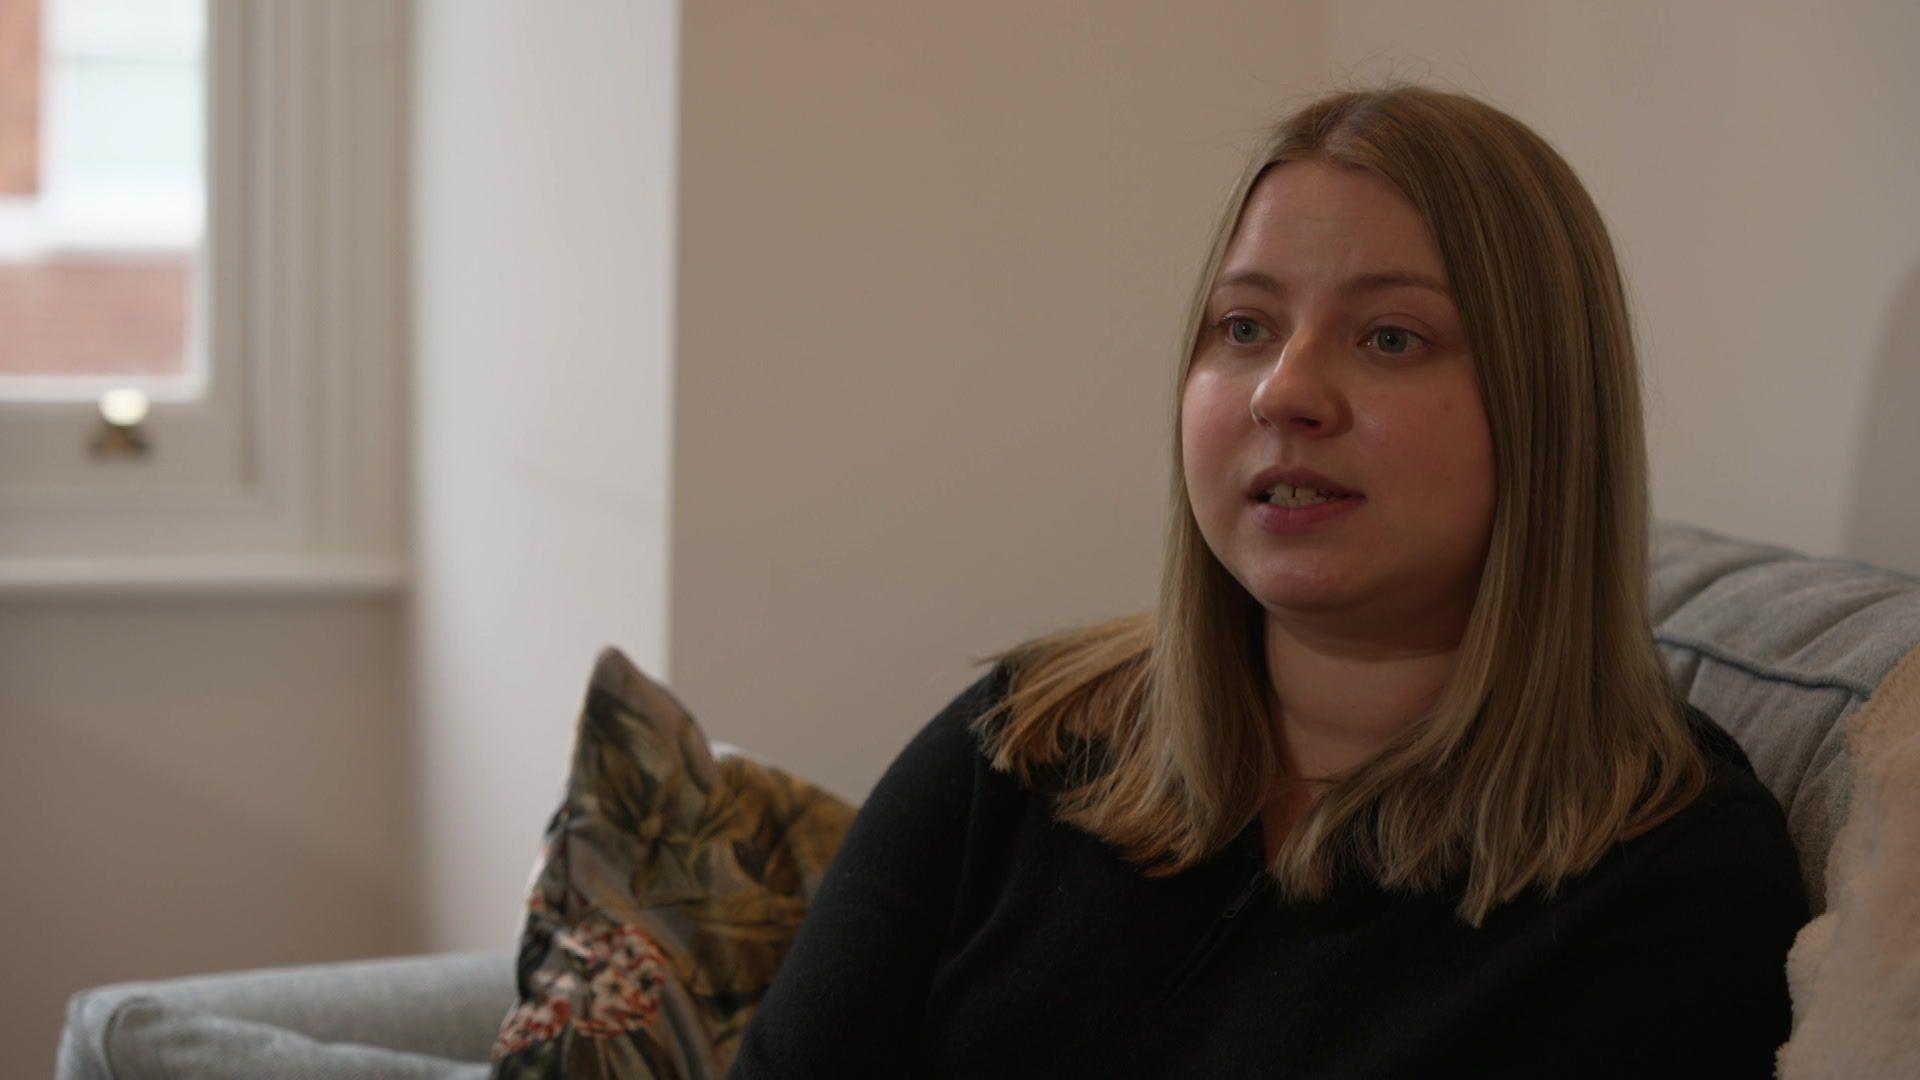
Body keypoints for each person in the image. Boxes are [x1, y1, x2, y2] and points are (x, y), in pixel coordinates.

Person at [728, 83, 1809, 1078]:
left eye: (1391, 337)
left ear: (1548, 413)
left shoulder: (1674, 882)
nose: (1284, 392)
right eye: (1244, 327)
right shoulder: (1028, 733)